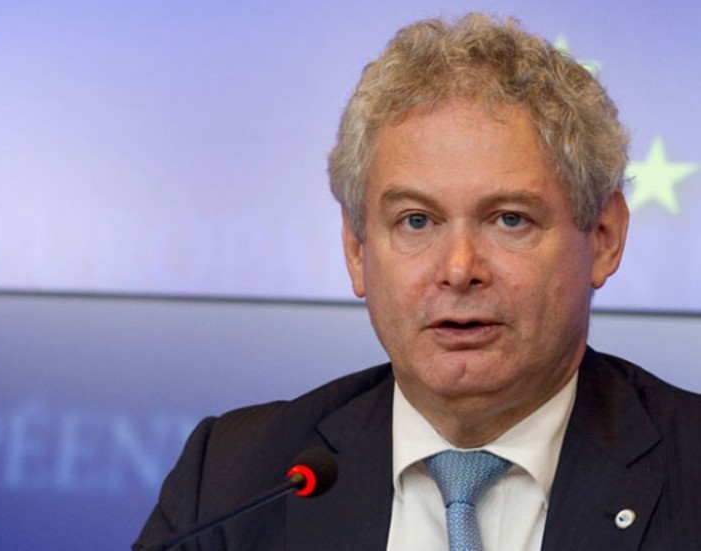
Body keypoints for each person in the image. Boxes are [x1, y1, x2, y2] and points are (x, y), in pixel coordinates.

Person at [133, 13, 701, 550]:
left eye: (510, 219)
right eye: (416, 221)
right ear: (356, 248)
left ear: (603, 237)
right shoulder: (235, 478)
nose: (458, 269)